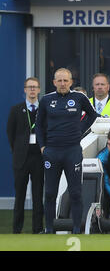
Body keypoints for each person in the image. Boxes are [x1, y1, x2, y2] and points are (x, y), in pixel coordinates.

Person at [35, 68, 98, 234]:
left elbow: (93, 115)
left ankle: (77, 229)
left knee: (76, 192)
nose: (62, 84)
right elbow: (39, 126)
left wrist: (80, 130)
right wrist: (43, 147)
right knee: (49, 193)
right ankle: (49, 229)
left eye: (65, 81)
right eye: (59, 81)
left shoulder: (79, 97)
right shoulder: (46, 100)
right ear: (54, 82)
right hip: (52, 152)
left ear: (71, 82)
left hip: (72, 152)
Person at [7, 78, 44, 234]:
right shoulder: (16, 109)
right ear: (25, 90)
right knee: (20, 194)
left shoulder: (44, 109)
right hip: (21, 158)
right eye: (29, 87)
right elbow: (10, 132)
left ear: (39, 90)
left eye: (35, 87)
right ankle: (17, 229)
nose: (32, 90)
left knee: (38, 194)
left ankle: (37, 228)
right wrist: (18, 150)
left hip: (39, 157)